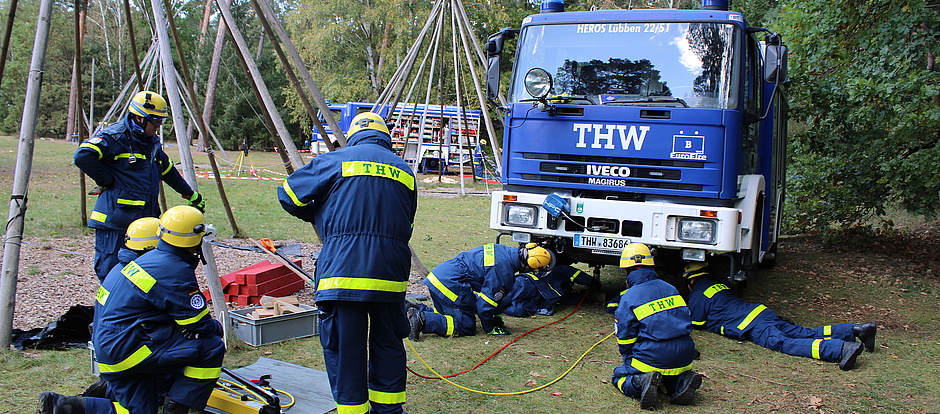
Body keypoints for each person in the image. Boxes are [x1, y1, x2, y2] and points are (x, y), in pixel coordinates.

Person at [278, 111, 417, 414]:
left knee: (346, 349)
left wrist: (319, 213)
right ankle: (389, 410)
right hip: (390, 273)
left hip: (343, 273)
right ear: (385, 138)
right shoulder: (404, 170)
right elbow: (407, 220)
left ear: (353, 135)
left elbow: (288, 194)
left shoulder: (334, 160)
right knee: (389, 344)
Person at [38, 205, 225, 414]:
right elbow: (198, 323)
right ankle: (176, 409)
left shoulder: (135, 265)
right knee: (211, 347)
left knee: (140, 411)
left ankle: (65, 406)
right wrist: (217, 328)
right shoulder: (173, 269)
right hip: (131, 350)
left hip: (115, 349)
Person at [74, 91, 205, 281]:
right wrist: (107, 180)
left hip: (145, 219)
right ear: (139, 117)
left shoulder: (150, 143)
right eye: (155, 121)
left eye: (161, 122)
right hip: (116, 220)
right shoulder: (116, 137)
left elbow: (168, 171)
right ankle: (110, 308)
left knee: (145, 272)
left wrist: (190, 195)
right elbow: (83, 156)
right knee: (112, 271)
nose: (158, 126)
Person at [682, 261, 877, 371]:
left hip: (751, 325)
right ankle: (857, 330)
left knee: (783, 343)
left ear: (690, 281)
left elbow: (697, 323)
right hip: (761, 313)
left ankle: (840, 349)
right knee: (804, 332)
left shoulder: (698, 294)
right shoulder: (719, 286)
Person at [611, 243, 702, 410]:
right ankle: (682, 382)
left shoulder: (629, 297)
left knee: (619, 376)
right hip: (685, 355)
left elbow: (625, 337)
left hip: (653, 357)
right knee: (669, 376)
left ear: (625, 270)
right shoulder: (671, 288)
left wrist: (628, 360)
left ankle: (640, 382)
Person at [406, 242, 555, 340]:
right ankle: (422, 320)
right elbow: (485, 305)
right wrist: (490, 328)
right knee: (466, 325)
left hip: (440, 277)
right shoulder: (504, 272)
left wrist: (498, 320)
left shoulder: (503, 251)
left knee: (450, 313)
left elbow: (495, 300)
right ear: (529, 266)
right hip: (450, 284)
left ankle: (414, 309)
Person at [502, 264, 600, 317]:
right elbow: (579, 276)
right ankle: (491, 305)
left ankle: (492, 305)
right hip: (530, 285)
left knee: (510, 301)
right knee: (506, 295)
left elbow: (518, 309)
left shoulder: (563, 293)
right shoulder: (559, 272)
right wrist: (593, 284)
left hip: (540, 297)